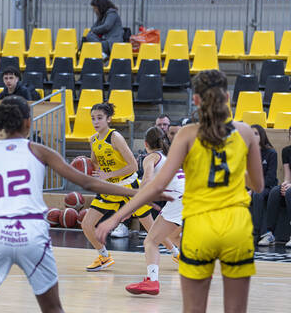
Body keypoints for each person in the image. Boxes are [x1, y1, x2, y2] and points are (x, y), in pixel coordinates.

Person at [0, 96, 170, 313]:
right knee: (53, 307)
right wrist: (138, 194)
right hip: (32, 233)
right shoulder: (40, 151)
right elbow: (87, 181)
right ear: (28, 122)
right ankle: (105, 256)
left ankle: (173, 251)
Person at [96, 70, 263, 313]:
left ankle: (153, 280)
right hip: (235, 223)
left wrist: (115, 217)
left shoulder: (187, 134)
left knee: (188, 295)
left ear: (196, 100)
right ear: (227, 97)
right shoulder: (246, 132)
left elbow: (154, 185)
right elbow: (258, 186)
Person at [82, 102, 177, 272]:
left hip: (129, 185)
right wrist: (89, 168)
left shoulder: (115, 137)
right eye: (93, 118)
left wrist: (108, 174)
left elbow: (133, 165)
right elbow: (95, 162)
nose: (96, 122)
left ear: (109, 119)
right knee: (87, 224)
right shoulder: (93, 140)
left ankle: (176, 253)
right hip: (110, 188)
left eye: (99, 118)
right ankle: (104, 256)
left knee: (152, 227)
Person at [125, 126, 184, 295]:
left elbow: (147, 180)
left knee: (150, 241)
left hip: (178, 199)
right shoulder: (167, 156)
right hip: (188, 196)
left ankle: (152, 281)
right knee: (172, 236)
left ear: (145, 143)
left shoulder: (150, 157)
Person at [258, 129, 291, 247]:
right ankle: (269, 233)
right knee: (275, 191)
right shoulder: (286, 151)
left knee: (289, 192)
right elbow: (287, 175)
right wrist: (285, 184)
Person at [249, 124, 277, 243]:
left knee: (257, 194)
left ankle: (256, 233)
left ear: (262, 136)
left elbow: (270, 179)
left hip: (267, 187)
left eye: (255, 134)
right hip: (252, 187)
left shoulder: (271, 153)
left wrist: (253, 188)